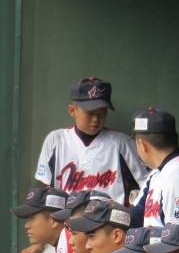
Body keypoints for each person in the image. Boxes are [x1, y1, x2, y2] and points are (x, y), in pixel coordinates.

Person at [35, 77, 147, 205]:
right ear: (72, 111)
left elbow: (147, 186)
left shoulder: (122, 143)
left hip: (110, 222)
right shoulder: (55, 140)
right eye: (90, 112)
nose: (96, 119)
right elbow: (43, 190)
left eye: (102, 112)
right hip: (67, 221)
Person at [130, 107, 179, 227]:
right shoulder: (156, 173)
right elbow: (133, 215)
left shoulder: (178, 177)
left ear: (143, 145)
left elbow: (178, 237)